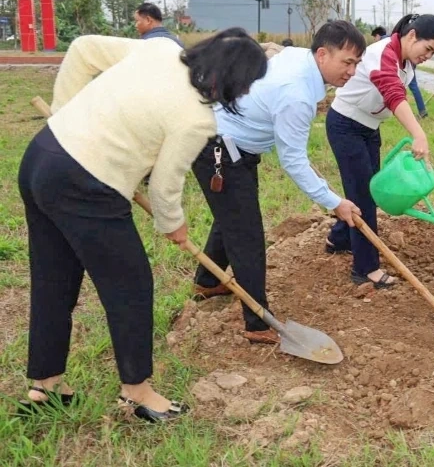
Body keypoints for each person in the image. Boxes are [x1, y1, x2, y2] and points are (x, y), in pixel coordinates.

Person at [17, 29, 267, 422]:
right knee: (130, 285)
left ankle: (45, 386)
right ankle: (137, 393)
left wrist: (63, 113)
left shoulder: (160, 49)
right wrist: (175, 226)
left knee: (53, 278)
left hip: (41, 158)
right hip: (85, 184)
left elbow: (82, 49)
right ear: (234, 82)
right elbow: (167, 186)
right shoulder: (196, 119)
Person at [191, 21, 364, 344]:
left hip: (231, 144)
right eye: (347, 62)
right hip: (220, 151)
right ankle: (257, 323)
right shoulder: (296, 94)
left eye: (357, 63)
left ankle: (207, 281)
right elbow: (293, 161)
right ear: (323, 54)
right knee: (247, 236)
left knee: (232, 217)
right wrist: (334, 202)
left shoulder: (301, 59)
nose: (352, 71)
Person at [327, 14, 434, 288]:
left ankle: (339, 238)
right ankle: (365, 268)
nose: (429, 55)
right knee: (364, 197)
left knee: (366, 188)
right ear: (413, 35)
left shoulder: (406, 62)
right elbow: (393, 94)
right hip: (346, 125)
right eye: (428, 48)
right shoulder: (382, 54)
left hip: (368, 128)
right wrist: (418, 133)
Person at [374, 25, 428, 118]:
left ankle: (402, 109)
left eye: (374, 38)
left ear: (377, 36)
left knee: (397, 90)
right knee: (413, 87)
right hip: (407, 65)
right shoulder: (393, 40)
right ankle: (422, 111)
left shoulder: (383, 43)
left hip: (401, 66)